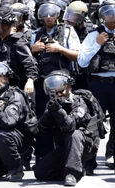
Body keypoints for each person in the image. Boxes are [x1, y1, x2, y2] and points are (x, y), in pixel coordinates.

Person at [30, 0, 80, 163]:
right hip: (42, 84)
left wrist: (60, 49)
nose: (49, 16)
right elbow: (25, 60)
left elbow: (78, 55)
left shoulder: (67, 31)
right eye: (45, 14)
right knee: (41, 119)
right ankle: (42, 156)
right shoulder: (35, 33)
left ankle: (66, 155)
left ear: (58, 15)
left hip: (62, 84)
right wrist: (33, 50)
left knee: (63, 118)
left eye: (52, 13)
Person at [34, 70, 100, 186]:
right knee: (40, 173)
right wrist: (50, 112)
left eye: (60, 90)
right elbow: (42, 127)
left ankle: (72, 173)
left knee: (75, 133)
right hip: (65, 147)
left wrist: (58, 111)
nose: (58, 94)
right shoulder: (52, 104)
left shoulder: (79, 102)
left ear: (68, 86)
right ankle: (75, 169)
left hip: (85, 146)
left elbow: (70, 125)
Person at [77, 0, 115, 173]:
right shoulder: (94, 35)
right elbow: (82, 61)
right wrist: (97, 44)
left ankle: (111, 155)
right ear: (101, 16)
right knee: (92, 123)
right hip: (98, 84)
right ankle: (89, 161)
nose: (112, 15)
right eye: (108, 12)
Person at [62, 1, 95, 90]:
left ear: (81, 17)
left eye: (73, 16)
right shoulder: (65, 30)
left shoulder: (92, 31)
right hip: (71, 70)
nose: (69, 19)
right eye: (69, 15)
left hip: (87, 71)